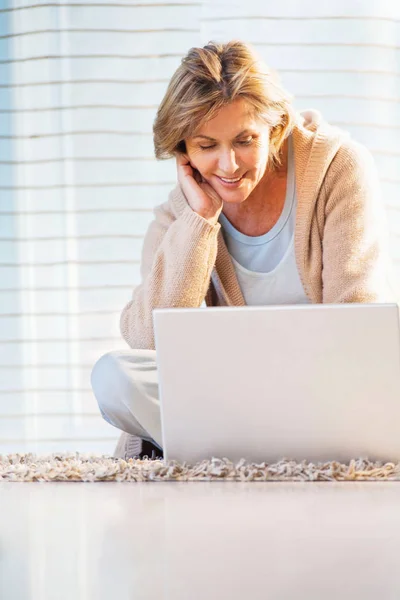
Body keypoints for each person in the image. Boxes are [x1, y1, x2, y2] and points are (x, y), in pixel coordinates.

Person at [91, 40, 394, 460]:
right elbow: (147, 341)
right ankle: (268, 448)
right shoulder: (180, 214)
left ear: (276, 126)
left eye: (244, 140)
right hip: (237, 396)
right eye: (206, 145)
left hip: (326, 388)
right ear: (182, 151)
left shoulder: (337, 167)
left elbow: (356, 316)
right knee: (114, 375)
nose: (229, 166)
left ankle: (246, 450)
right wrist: (200, 221)